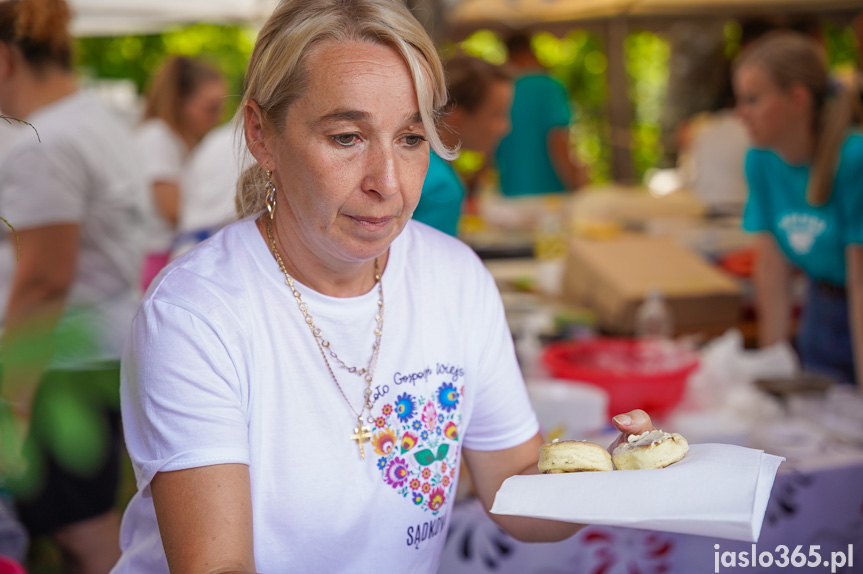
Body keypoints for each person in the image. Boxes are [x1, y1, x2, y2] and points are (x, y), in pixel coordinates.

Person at [112, 1, 656, 572]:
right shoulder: (197, 313)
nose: (387, 183)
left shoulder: (455, 279)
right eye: (347, 138)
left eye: (411, 139)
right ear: (261, 135)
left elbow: (513, 491)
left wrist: (614, 474)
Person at [0, 0, 150, 571]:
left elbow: (44, 279)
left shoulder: (45, 142)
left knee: (80, 530)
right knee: (83, 523)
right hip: (97, 349)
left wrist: (11, 399)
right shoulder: (93, 120)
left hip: (61, 362)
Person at [734, 31, 863, 387]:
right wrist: (770, 374)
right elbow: (772, 271)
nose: (740, 113)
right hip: (820, 307)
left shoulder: (853, 159)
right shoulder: (760, 159)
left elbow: (860, 282)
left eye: (753, 99)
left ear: (797, 99)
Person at [137, 55, 226, 289]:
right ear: (180, 101)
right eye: (210, 108)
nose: (217, 117)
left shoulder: (179, 140)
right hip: (157, 257)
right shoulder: (157, 137)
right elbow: (173, 211)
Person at [413, 55, 513, 236]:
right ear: (456, 118)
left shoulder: (415, 163)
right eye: (496, 115)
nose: (505, 127)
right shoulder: (441, 187)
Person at [494, 33, 587, 196]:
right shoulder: (550, 87)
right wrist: (576, 183)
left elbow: (491, 145)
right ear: (531, 52)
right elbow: (557, 138)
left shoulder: (502, 90)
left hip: (511, 193)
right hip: (550, 195)